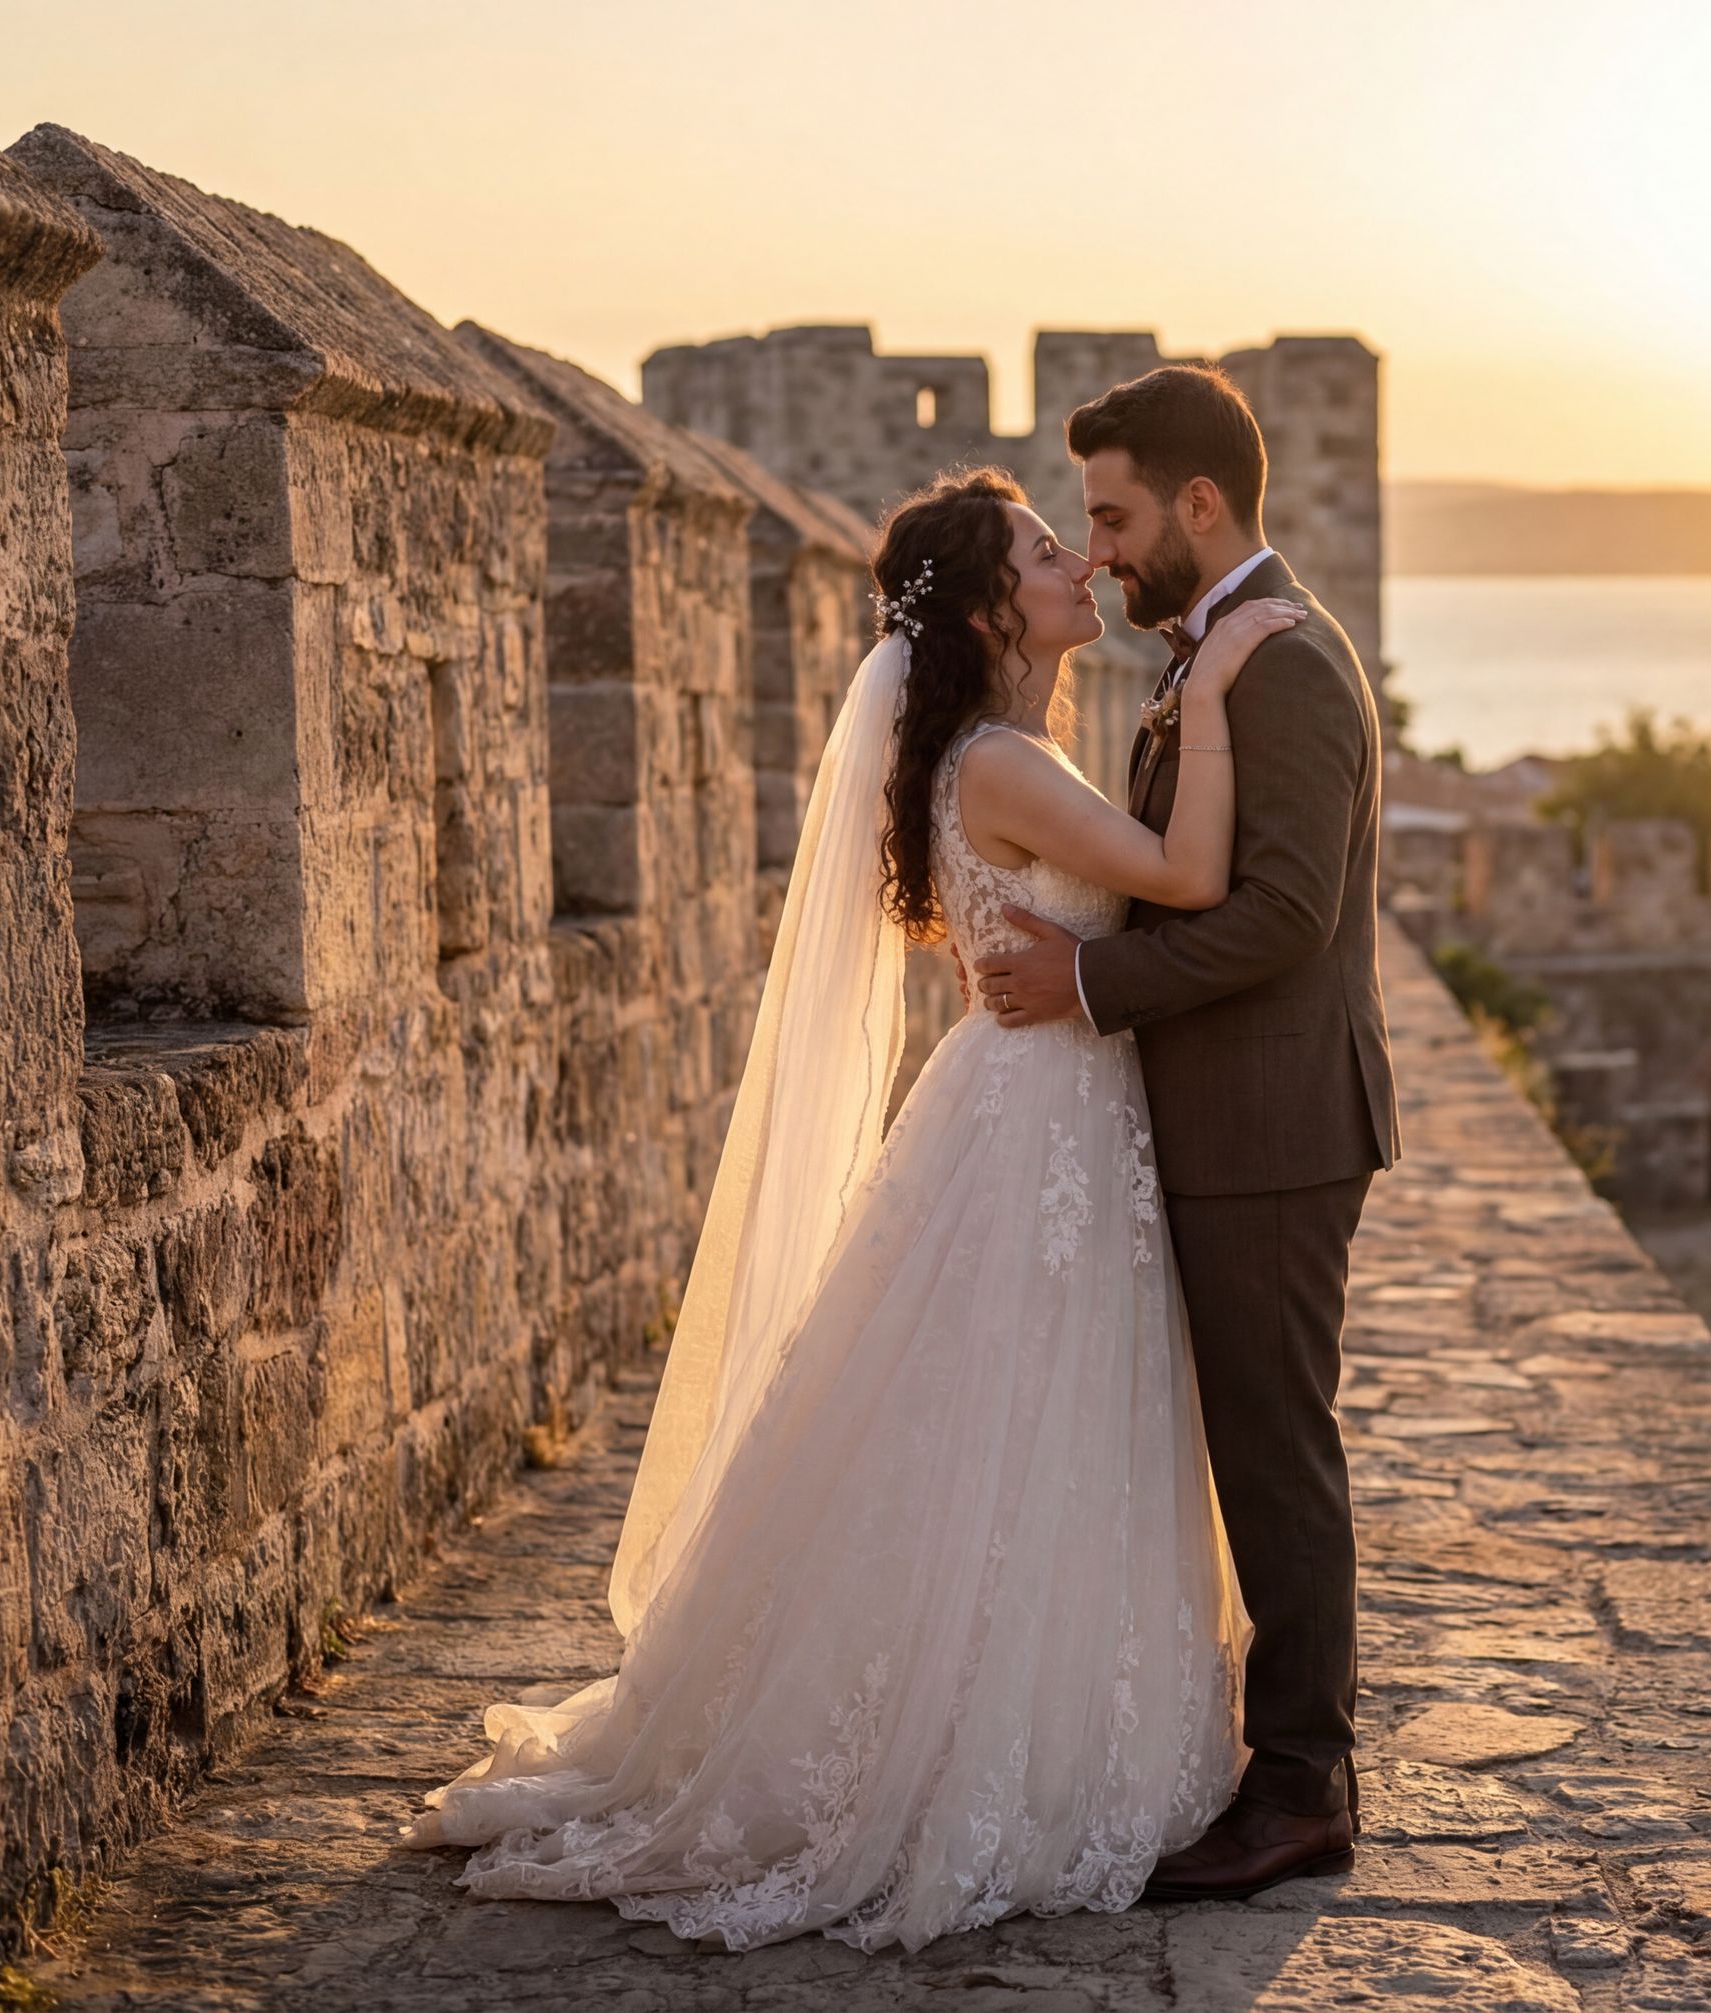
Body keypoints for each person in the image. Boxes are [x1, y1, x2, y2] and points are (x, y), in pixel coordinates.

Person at [404, 467, 1305, 1953]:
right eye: (1042, 546)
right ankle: (966, 1741)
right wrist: (1211, 687)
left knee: (1011, 1428)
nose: (1077, 558)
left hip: (1037, 1115)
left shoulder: (990, 753)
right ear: (986, 605)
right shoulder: (1003, 762)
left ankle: (1004, 1708)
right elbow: (1195, 874)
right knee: (1021, 1425)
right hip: (1040, 1128)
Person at [973, 363, 1397, 1900]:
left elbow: (1286, 914)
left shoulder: (1278, 662)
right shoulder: (1212, 649)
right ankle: (1276, 1758)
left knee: (1277, 1451)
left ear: (1201, 505)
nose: (1097, 547)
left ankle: (1303, 1785)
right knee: (1245, 1442)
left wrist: (1088, 979)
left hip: (1278, 1121)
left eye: (1115, 512)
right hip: (1228, 1120)